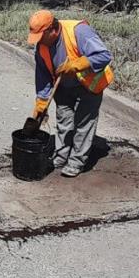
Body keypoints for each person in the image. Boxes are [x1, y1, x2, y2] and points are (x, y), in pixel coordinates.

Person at [28, 10, 114, 177]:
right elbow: (43, 75)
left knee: (83, 124)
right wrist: (41, 102)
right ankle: (61, 155)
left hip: (89, 85)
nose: (39, 41)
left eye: (41, 36)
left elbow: (104, 55)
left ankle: (76, 162)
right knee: (64, 121)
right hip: (64, 87)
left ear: (52, 29)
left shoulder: (78, 31)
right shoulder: (42, 46)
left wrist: (78, 64)